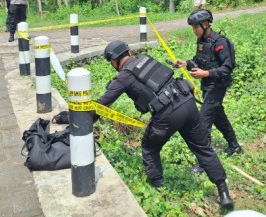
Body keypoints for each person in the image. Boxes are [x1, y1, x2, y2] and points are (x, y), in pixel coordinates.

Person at [98, 40, 234, 210]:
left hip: (167, 114)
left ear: (113, 60)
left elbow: (101, 105)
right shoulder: (145, 59)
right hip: (187, 101)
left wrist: (83, 118)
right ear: (129, 53)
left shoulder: (123, 77)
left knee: (149, 147)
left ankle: (157, 188)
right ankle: (223, 192)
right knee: (203, 147)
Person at [174, 9, 243, 169]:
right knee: (219, 117)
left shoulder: (220, 43)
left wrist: (205, 73)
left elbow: (227, 68)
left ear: (205, 25)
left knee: (203, 122)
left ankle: (204, 162)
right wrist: (185, 63)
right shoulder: (201, 41)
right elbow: (200, 61)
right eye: (192, 28)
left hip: (217, 86)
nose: (193, 31)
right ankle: (234, 145)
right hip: (207, 85)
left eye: (195, 27)